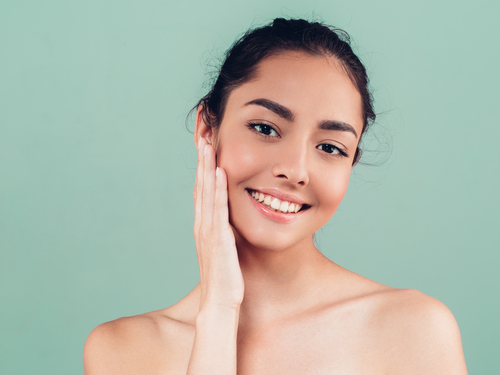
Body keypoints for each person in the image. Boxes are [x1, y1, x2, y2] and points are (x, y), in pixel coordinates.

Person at [83, 18, 468, 374]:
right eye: (265, 128)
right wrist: (218, 311)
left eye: (331, 148)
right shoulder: (122, 351)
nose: (296, 170)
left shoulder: (413, 332)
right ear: (206, 130)